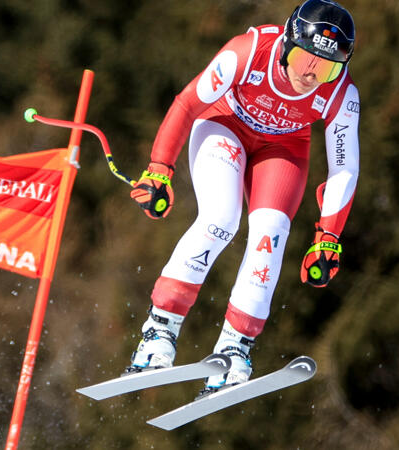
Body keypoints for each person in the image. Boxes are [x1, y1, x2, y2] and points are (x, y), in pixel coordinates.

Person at [126, 0, 360, 396]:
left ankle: (234, 348)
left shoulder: (341, 93)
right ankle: (158, 332)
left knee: (270, 234)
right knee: (221, 218)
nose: (310, 75)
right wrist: (159, 168)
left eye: (326, 67)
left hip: (284, 147)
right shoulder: (248, 52)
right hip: (224, 123)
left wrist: (329, 236)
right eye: (305, 59)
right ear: (288, 44)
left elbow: (345, 169)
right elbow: (187, 102)